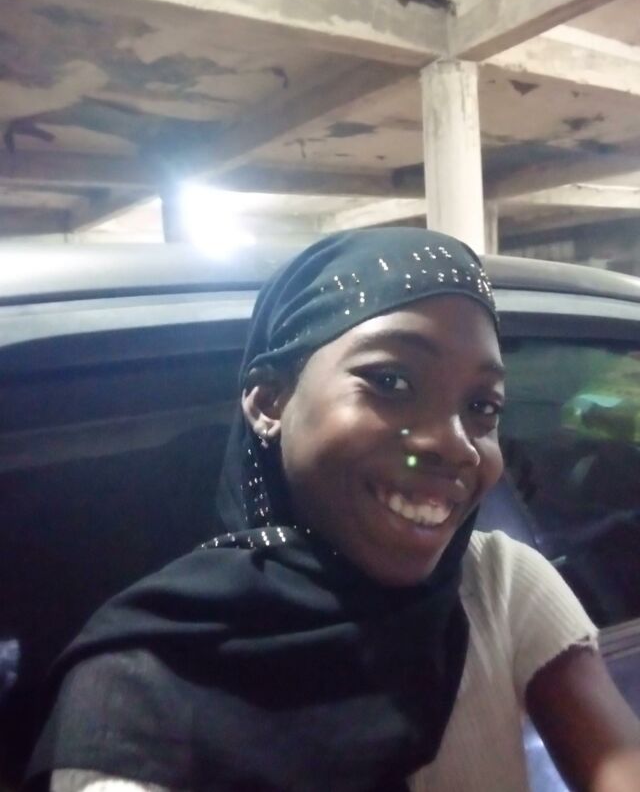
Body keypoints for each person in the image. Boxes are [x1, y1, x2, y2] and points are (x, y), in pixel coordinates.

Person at [27, 229, 640, 792]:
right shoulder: (137, 687)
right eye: (391, 382)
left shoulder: (496, 583)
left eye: (483, 407)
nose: (455, 444)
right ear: (269, 402)